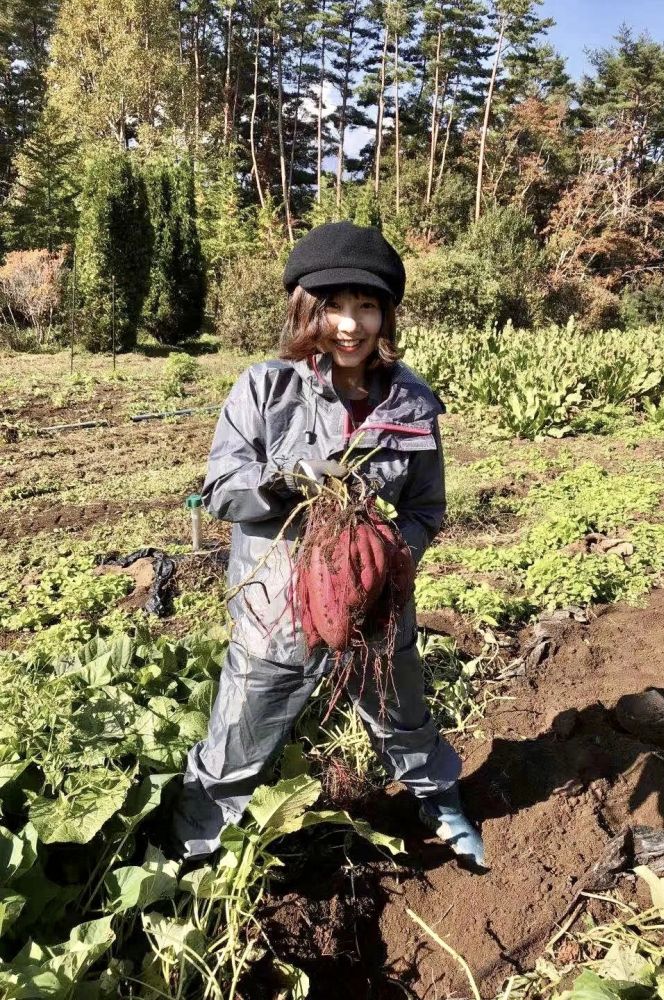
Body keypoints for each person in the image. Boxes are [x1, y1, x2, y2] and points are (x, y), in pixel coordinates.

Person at [170, 220, 485, 869]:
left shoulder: (411, 399)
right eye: (334, 305)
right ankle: (192, 848)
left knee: (405, 716)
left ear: (385, 314)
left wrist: (390, 556)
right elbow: (222, 490)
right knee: (240, 732)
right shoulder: (265, 388)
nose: (350, 324)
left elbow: (427, 506)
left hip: (375, 609)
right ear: (306, 310)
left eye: (366, 305)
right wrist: (285, 481)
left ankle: (439, 798)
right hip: (276, 608)